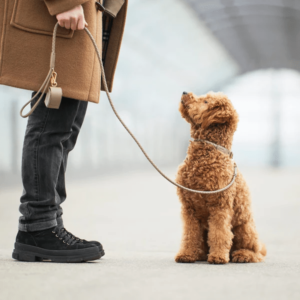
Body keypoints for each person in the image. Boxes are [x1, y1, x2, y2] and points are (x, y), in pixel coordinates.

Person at [0, 0, 128, 262]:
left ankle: (49, 223)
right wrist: (63, 2)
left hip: (85, 17)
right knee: (51, 127)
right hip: (66, 14)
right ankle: (37, 226)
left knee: (65, 129)